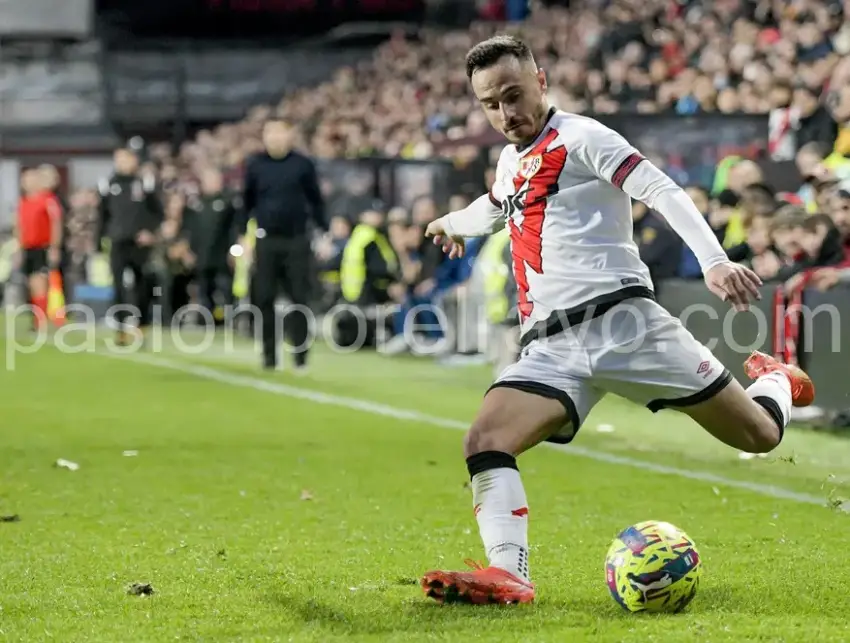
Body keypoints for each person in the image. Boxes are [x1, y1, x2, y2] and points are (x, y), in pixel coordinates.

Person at [419, 35, 816, 606]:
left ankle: (776, 379)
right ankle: (510, 573)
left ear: (541, 81)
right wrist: (452, 221)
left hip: (624, 325)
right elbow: (497, 205)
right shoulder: (510, 161)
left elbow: (658, 188)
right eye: (490, 103)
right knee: (485, 439)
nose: (506, 113)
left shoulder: (584, 138)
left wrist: (713, 260)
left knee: (759, 435)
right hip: (552, 346)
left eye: (514, 95)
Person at [237, 117, 326, 372]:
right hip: (266, 240)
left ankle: (300, 357)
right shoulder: (255, 165)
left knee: (299, 298)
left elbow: (316, 200)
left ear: (290, 134)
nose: (274, 137)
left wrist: (324, 231)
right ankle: (268, 356)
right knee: (263, 298)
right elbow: (246, 202)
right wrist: (243, 235)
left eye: (279, 132)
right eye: (269, 132)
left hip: (297, 240)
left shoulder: (303, 165)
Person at [96, 148, 162, 345]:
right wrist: (99, 241)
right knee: (118, 286)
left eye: (126, 158)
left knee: (142, 285)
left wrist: (149, 231)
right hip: (117, 241)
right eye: (119, 159)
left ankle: (141, 325)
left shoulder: (144, 183)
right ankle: (121, 329)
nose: (122, 163)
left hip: (139, 243)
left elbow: (158, 212)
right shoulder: (108, 184)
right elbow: (102, 216)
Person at [16, 169, 63, 330]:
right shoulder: (23, 202)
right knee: (30, 284)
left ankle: (40, 321)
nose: (26, 183)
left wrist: (54, 247)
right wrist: (18, 247)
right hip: (27, 248)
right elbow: (19, 226)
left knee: (39, 283)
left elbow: (56, 223)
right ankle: (37, 318)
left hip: (41, 247)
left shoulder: (47, 200)